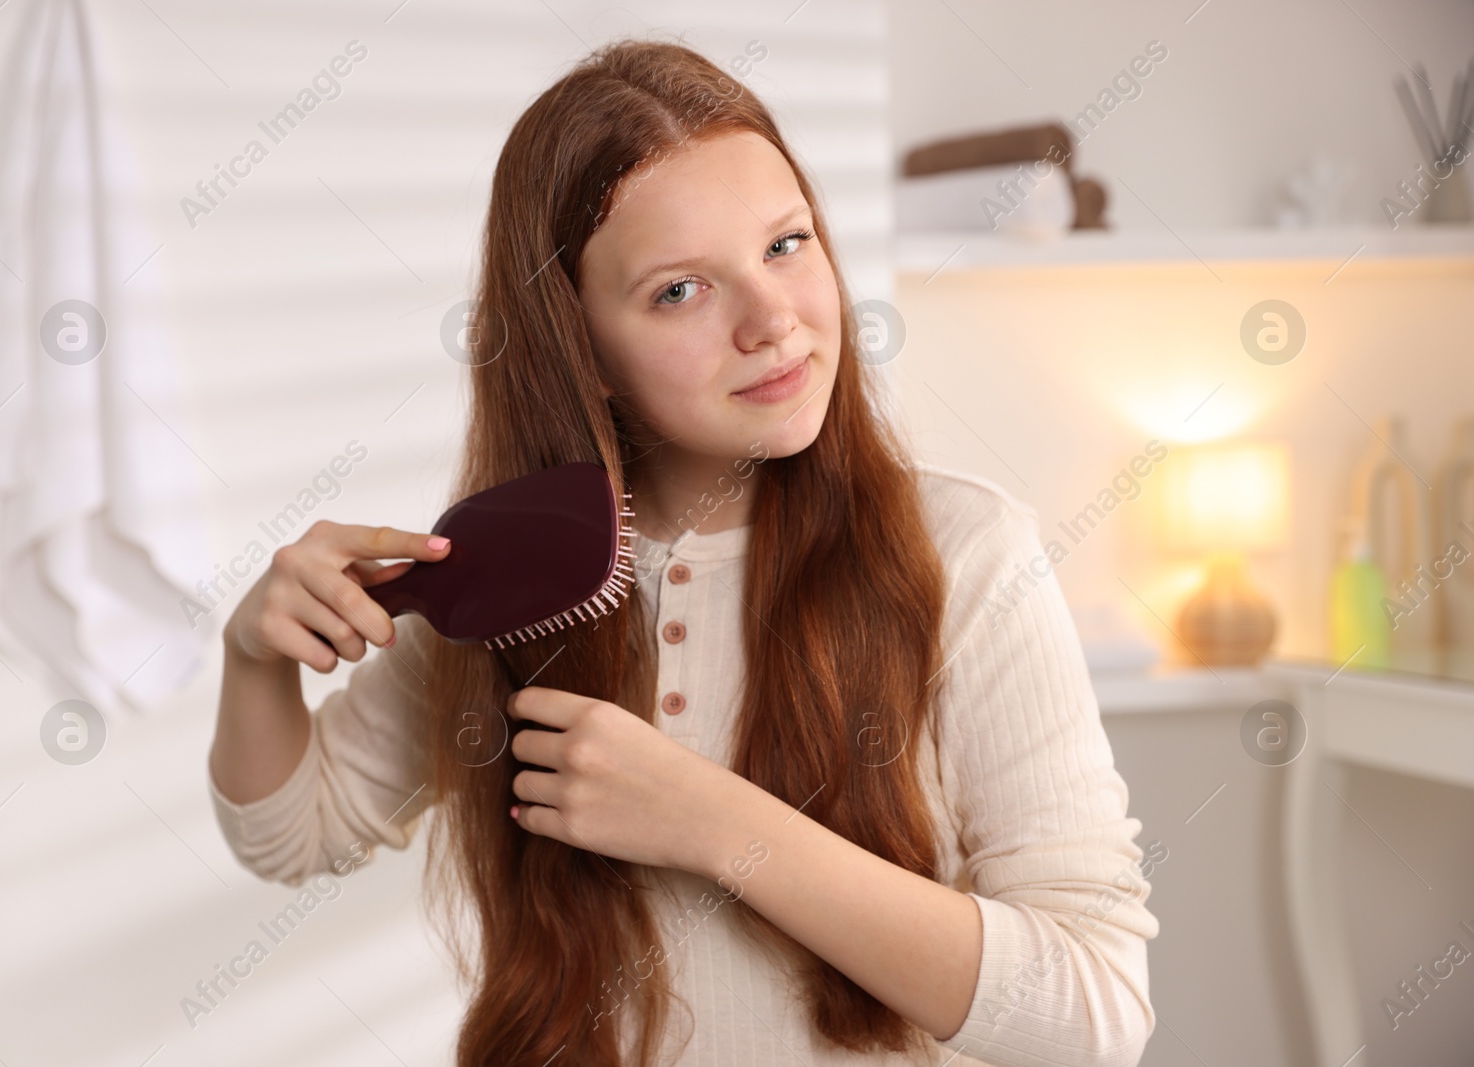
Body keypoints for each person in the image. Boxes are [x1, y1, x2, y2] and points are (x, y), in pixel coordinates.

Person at [208, 36, 1159, 1067]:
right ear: (583, 350)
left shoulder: (965, 557)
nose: (773, 320)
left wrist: (718, 825)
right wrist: (253, 655)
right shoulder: (521, 573)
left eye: (786, 244)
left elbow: (1093, 1007)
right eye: (679, 291)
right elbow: (290, 833)